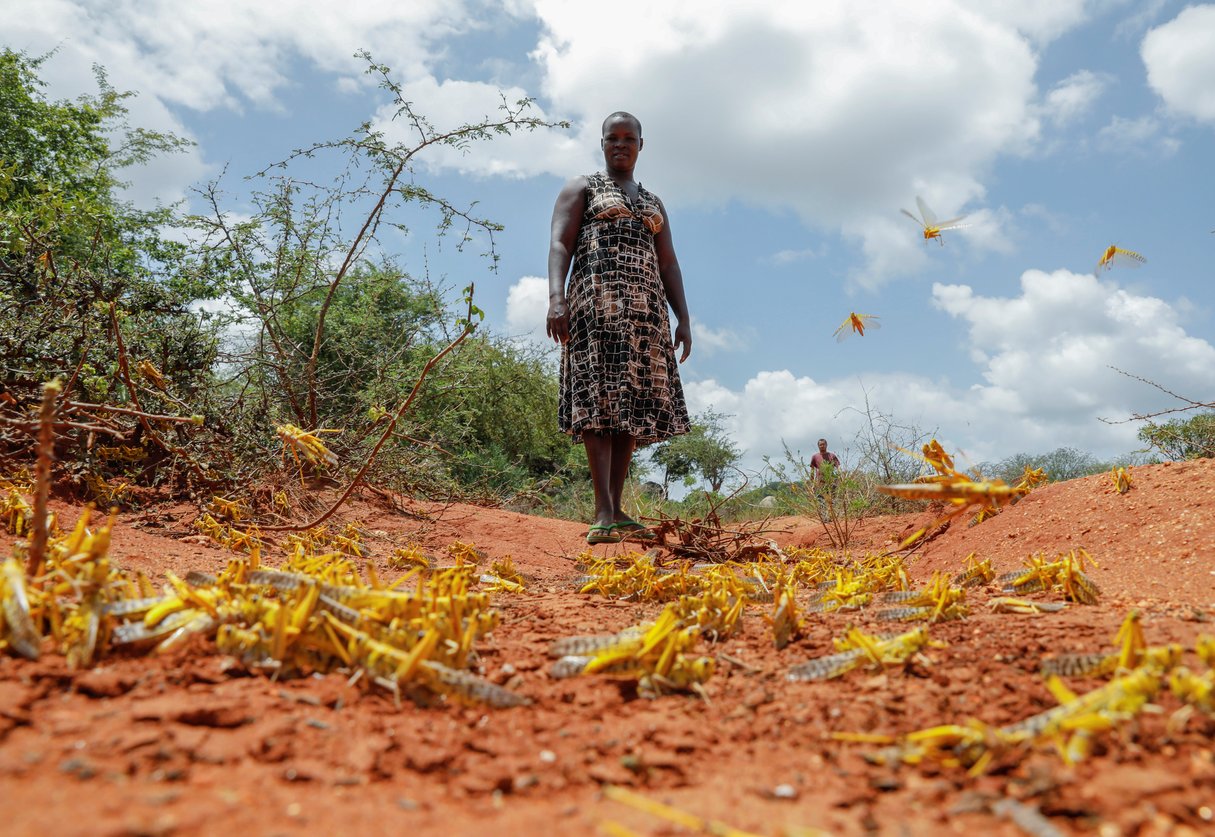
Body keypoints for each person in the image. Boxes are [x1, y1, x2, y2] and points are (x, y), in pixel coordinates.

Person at [546, 111, 692, 545]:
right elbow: (559, 243)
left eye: (630, 138)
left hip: (645, 315)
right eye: (614, 138)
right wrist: (557, 299)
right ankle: (602, 512)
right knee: (598, 400)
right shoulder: (583, 188)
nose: (621, 144)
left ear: (641, 145)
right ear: (603, 143)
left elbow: (668, 262)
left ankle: (617, 509)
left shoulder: (653, 202)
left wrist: (683, 316)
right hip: (596, 305)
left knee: (629, 406)